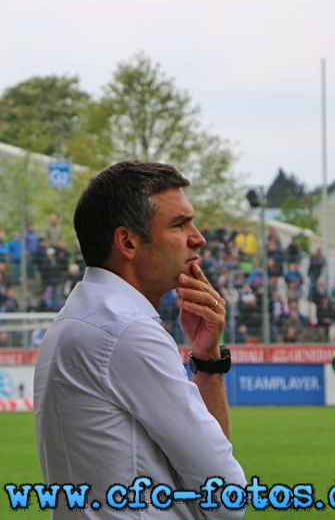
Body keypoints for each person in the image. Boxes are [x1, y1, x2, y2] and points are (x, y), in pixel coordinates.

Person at [34, 160, 245, 518]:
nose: (199, 237)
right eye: (179, 224)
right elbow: (225, 498)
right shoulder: (126, 329)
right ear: (128, 242)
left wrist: (206, 357)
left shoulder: (79, 317)